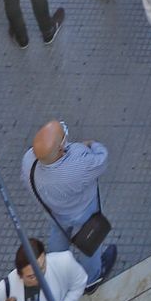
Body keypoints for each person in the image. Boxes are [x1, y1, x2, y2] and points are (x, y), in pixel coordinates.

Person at [22, 120, 117, 287]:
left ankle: (57, 270)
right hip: (83, 211)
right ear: (60, 149)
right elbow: (102, 159)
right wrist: (92, 144)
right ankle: (92, 278)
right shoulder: (78, 162)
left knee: (58, 234)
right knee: (91, 241)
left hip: (53, 212)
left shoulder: (28, 161)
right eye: (64, 135)